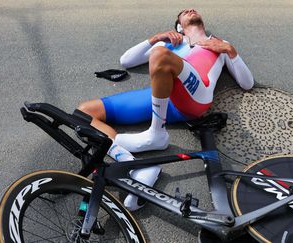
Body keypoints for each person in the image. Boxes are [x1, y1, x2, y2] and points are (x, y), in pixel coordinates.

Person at [78, 8, 254, 211]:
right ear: (179, 26)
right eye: (183, 12)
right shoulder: (170, 44)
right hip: (161, 97)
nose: (189, 9)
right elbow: (126, 61)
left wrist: (230, 50)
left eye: (192, 10)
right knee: (85, 112)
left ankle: (157, 133)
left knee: (160, 56)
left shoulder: (218, 45)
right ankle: (138, 168)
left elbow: (247, 83)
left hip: (195, 96)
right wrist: (154, 39)